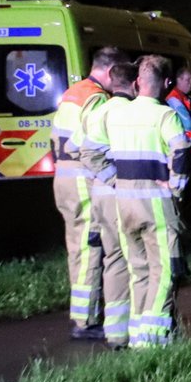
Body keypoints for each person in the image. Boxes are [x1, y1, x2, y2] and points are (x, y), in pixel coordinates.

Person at [103, 54, 191, 349]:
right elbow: (181, 151)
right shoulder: (165, 116)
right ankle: (151, 341)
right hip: (155, 204)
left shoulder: (117, 113)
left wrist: (111, 179)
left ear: (138, 82)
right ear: (167, 83)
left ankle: (136, 334)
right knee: (164, 270)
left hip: (123, 204)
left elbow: (91, 150)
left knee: (138, 272)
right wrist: (175, 188)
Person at [51, 46, 131, 340]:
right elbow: (94, 142)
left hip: (64, 179)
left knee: (76, 247)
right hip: (83, 179)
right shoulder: (96, 99)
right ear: (110, 72)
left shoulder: (74, 93)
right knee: (89, 248)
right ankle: (85, 321)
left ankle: (83, 314)